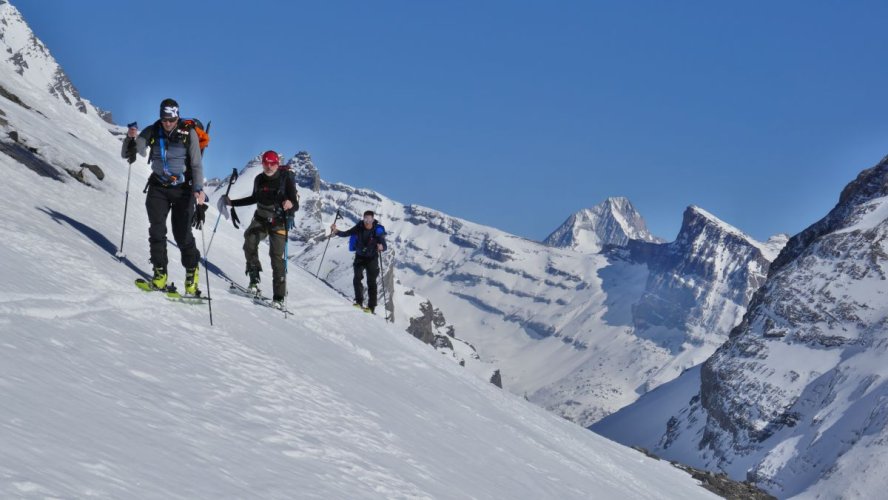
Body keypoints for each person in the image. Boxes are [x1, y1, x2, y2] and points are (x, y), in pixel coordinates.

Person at [121, 98, 206, 295]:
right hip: (158, 187)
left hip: (183, 190)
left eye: (170, 119)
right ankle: (160, 274)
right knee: (157, 231)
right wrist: (131, 138)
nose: (167, 123)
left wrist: (199, 188)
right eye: (164, 119)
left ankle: (192, 273)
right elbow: (132, 153)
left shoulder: (188, 133)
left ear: (177, 116)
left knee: (182, 235)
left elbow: (196, 164)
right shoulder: (153, 130)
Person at [222, 151, 299, 308]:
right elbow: (254, 198)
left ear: (277, 164)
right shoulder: (259, 179)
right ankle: (254, 281)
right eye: (266, 163)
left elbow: (295, 204)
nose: (269, 166)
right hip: (261, 219)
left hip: (279, 223)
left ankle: (278, 298)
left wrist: (291, 204)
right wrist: (232, 203)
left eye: (272, 163)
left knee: (276, 258)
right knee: (249, 242)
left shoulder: (285, 180)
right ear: (262, 164)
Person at [330, 210, 387, 313]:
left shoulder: (377, 230)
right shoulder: (359, 227)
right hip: (360, 256)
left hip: (372, 258)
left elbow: (384, 245)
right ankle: (359, 302)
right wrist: (336, 231)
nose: (367, 221)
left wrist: (381, 247)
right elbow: (347, 233)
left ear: (373, 219)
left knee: (371, 282)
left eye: (369, 219)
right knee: (357, 278)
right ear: (363, 218)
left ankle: (371, 307)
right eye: (366, 219)